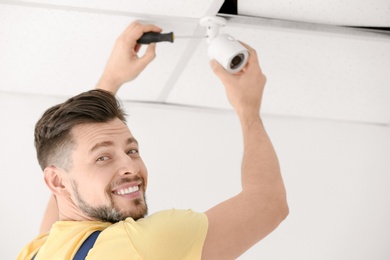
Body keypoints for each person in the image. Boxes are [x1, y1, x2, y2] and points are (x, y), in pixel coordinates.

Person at [18, 21, 288, 259]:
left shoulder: (36, 253)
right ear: (57, 180)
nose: (131, 167)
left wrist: (110, 81)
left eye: (132, 150)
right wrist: (248, 110)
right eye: (102, 157)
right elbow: (267, 203)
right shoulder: (141, 245)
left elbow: (65, 193)